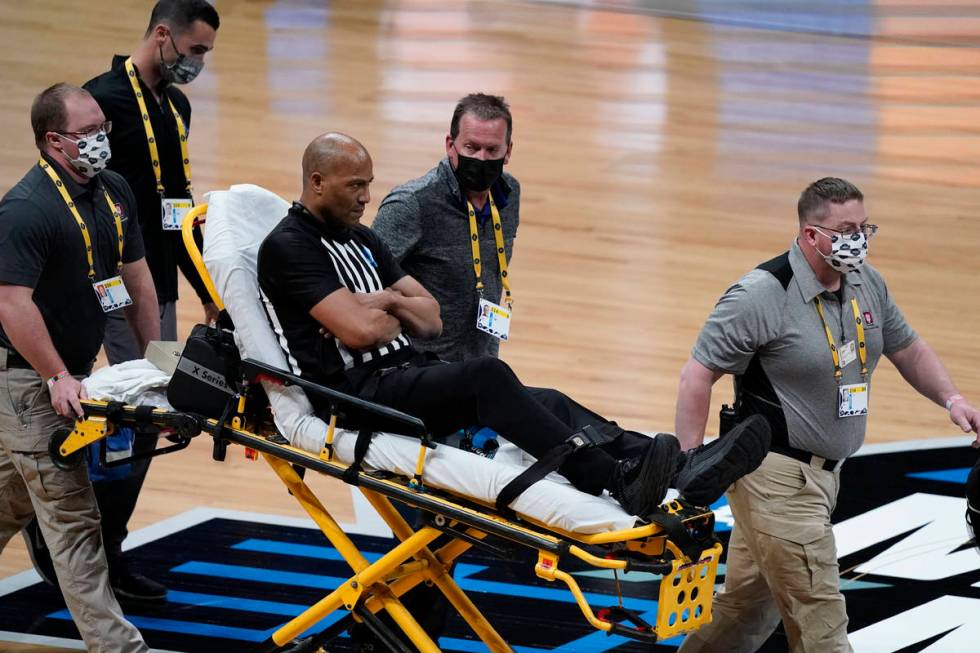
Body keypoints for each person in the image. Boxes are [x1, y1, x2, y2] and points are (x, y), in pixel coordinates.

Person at [258, 131, 770, 519]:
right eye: (355, 186)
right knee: (487, 377)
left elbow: (431, 318)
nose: (366, 197)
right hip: (356, 399)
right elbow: (361, 334)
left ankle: (678, 466)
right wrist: (389, 310)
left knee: (543, 400)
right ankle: (611, 478)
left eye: (368, 185)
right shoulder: (289, 246)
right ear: (316, 181)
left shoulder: (361, 240)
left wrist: (379, 301)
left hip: (404, 374)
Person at [675, 177, 980, 653]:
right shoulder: (761, 295)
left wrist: (952, 399)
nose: (857, 239)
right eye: (845, 229)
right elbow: (697, 375)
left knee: (746, 611)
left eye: (864, 227)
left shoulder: (865, 282)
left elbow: (907, 348)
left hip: (821, 477)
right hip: (775, 479)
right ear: (810, 234)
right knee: (823, 624)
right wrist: (690, 466)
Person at [22, 0, 222, 604]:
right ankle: (81, 544)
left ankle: (102, 545)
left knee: (144, 420)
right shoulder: (100, 99)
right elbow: (69, 198)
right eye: (194, 52)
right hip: (103, 290)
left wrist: (207, 294)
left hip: (151, 288)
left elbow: (179, 208)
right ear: (163, 36)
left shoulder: (176, 104)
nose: (199, 65)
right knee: (134, 416)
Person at [0, 83, 157, 653]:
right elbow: (11, 303)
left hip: (68, 371)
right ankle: (117, 647)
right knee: (73, 520)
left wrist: (152, 364)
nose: (100, 140)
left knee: (10, 500)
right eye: (87, 133)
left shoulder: (113, 189)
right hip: (27, 380)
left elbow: (137, 277)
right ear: (53, 141)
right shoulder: (25, 209)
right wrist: (56, 375)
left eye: (102, 129)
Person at [372, 93, 518, 362]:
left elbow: (493, 274)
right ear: (451, 145)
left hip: (482, 361)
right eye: (471, 148)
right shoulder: (412, 204)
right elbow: (366, 275)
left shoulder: (509, 194)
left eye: (492, 150)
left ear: (508, 150)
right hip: (421, 366)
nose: (482, 159)